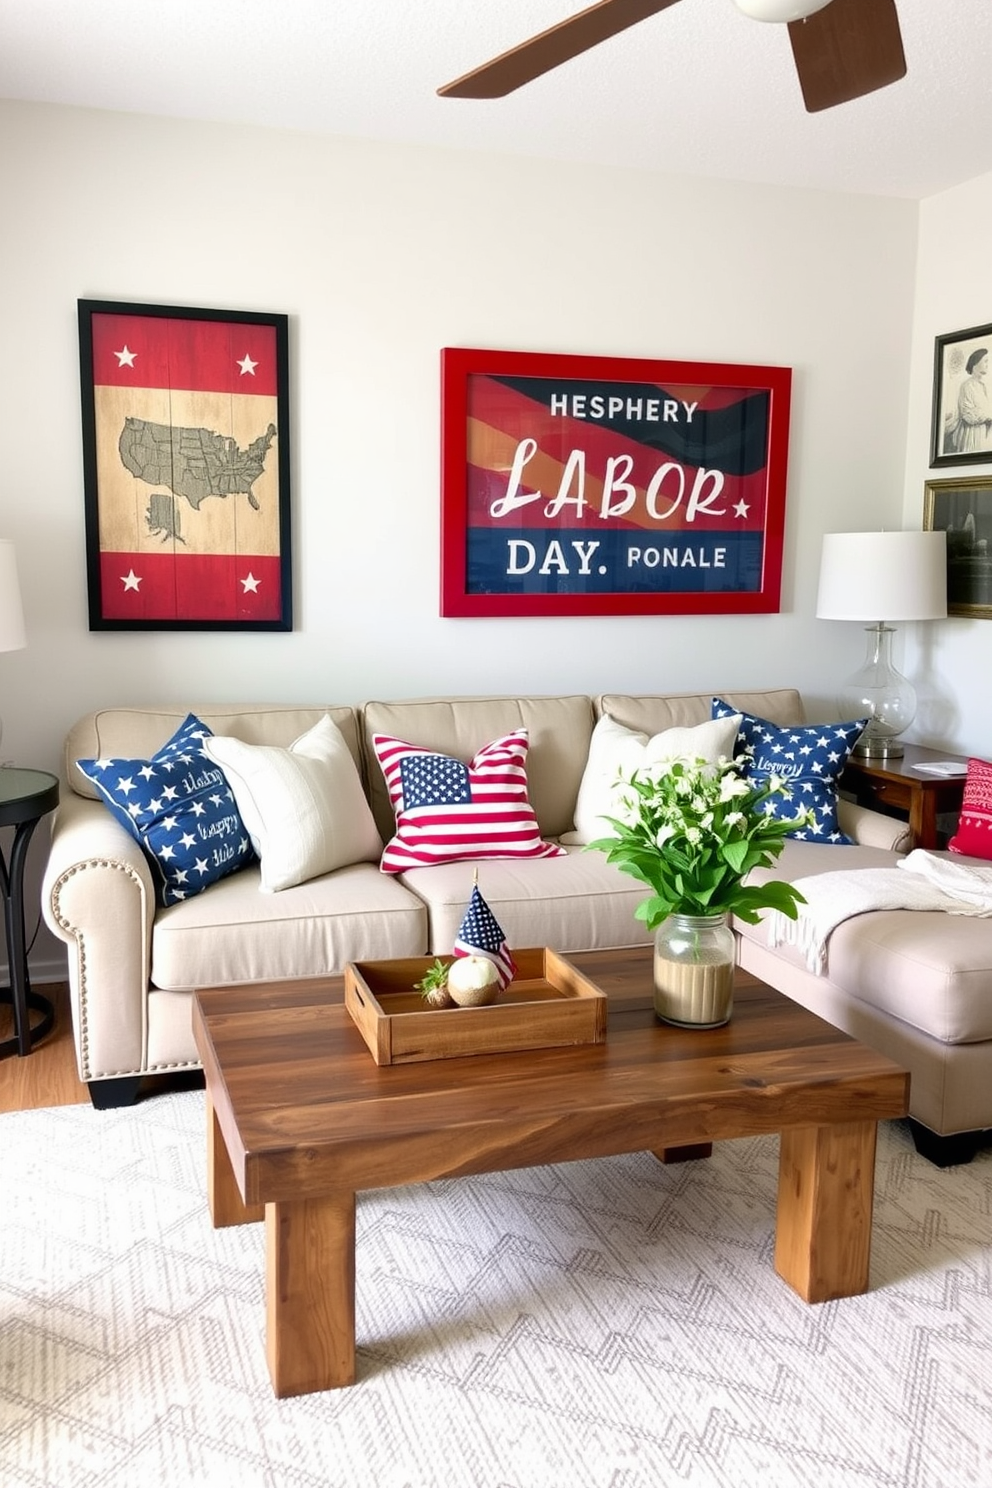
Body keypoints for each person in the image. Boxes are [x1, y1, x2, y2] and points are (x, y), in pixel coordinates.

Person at [944, 348, 992, 454]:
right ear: (975, 363)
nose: (987, 364)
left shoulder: (985, 386)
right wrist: (986, 417)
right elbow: (967, 413)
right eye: (985, 361)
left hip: (985, 434)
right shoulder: (967, 386)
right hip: (972, 435)